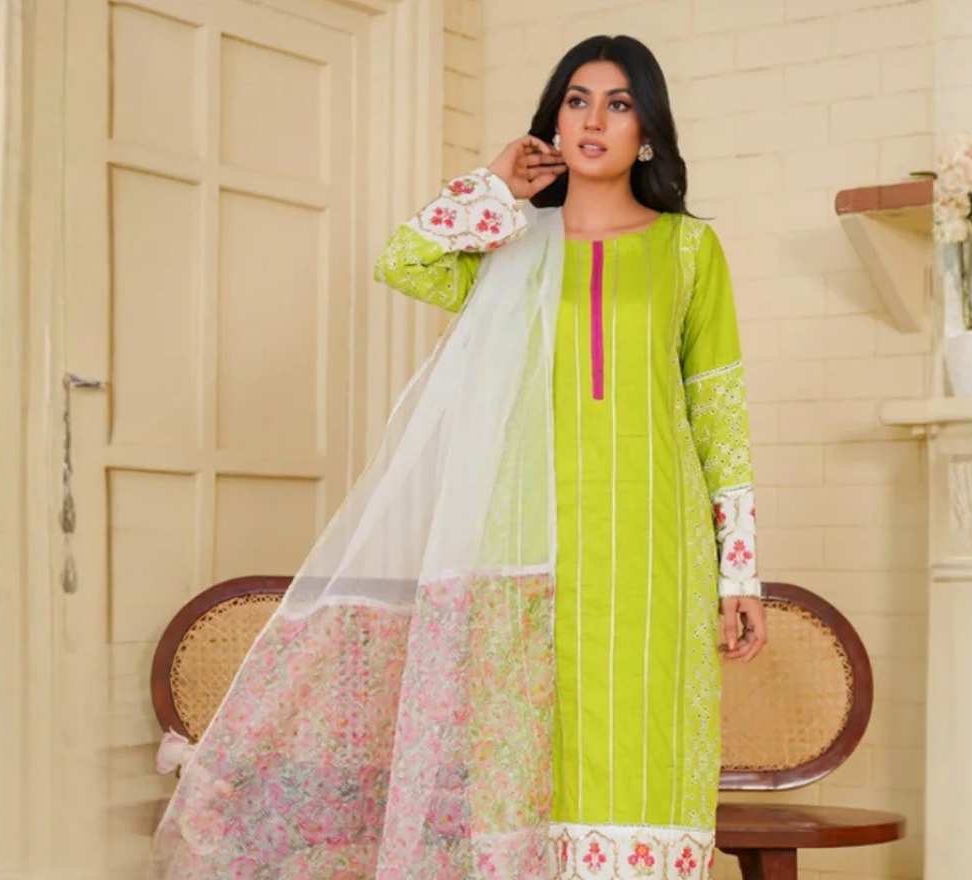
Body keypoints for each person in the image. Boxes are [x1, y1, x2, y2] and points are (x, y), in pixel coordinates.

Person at [150, 35, 764, 878]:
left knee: (645, 742)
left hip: (653, 546)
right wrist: (494, 187)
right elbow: (404, 261)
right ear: (553, 121)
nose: (594, 120)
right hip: (522, 540)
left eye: (619, 104)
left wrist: (739, 574)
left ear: (648, 132)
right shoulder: (510, 244)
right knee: (522, 748)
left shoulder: (689, 251)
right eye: (577, 100)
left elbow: (718, 414)